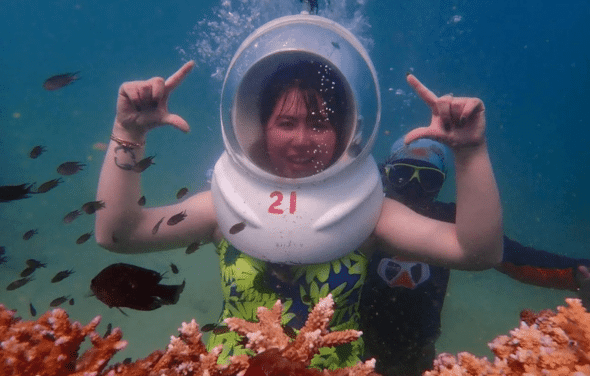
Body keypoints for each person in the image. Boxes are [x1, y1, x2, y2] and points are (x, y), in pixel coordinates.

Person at [94, 57, 503, 369]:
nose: (303, 139)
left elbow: (476, 252)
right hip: (232, 369)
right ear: (260, 126)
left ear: (343, 130)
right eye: (286, 122)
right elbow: (118, 234)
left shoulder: (368, 212)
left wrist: (470, 151)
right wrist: (128, 132)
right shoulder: (225, 204)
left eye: (320, 123)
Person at [359, 137, 590, 376]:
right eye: (402, 174)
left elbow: (513, 257)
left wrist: (576, 273)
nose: (413, 187)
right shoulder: (364, 216)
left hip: (417, 352)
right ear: (385, 174)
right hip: (355, 342)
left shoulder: (453, 221)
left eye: (427, 179)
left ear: (441, 183)